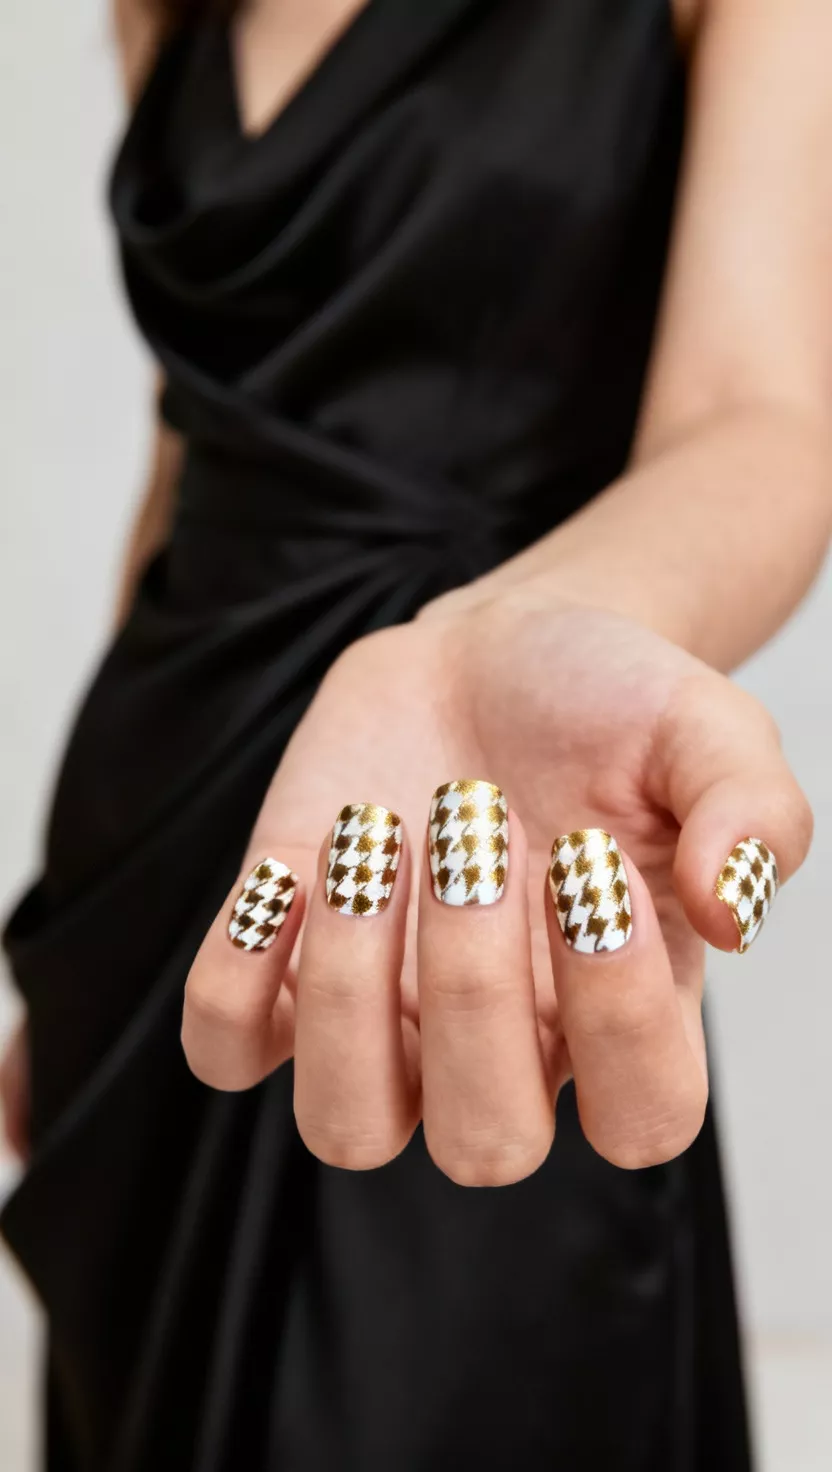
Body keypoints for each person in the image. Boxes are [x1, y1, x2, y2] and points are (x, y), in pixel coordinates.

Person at [2, 0, 831, 1466]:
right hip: (174, 850)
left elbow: (758, 414)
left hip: (474, 845)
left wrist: (501, 633)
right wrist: (85, 919)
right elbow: (195, 451)